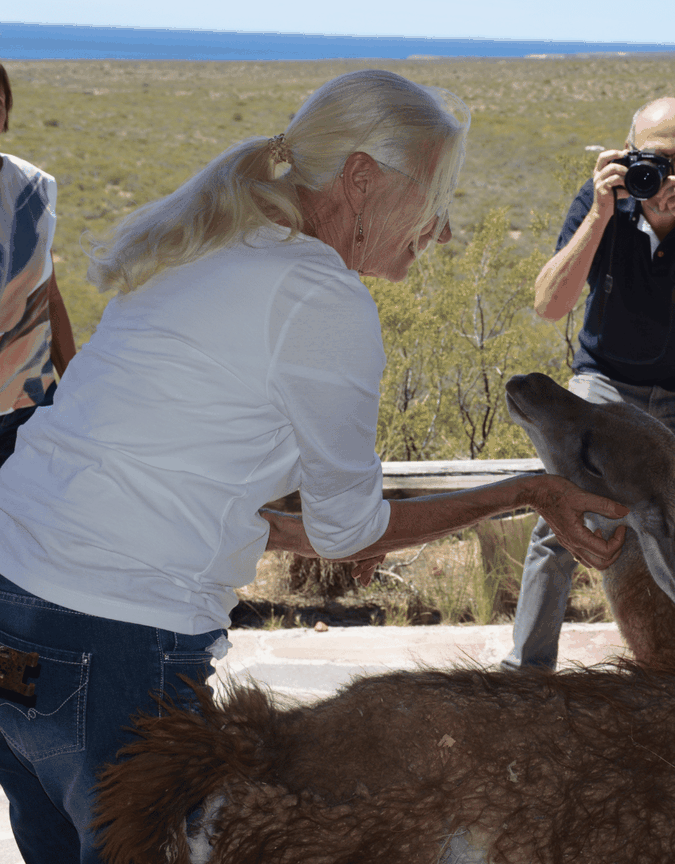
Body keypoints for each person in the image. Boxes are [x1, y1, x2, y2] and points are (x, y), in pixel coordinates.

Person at [0, 69, 627, 864]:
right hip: (117, 639)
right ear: (362, 178)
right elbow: (346, 530)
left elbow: (190, 497)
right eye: (432, 199)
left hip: (16, 610)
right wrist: (527, 491)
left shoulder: (201, 247)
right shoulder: (320, 296)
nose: (437, 231)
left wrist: (342, 531)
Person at [503, 96, 675, 671]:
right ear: (628, 155)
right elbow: (550, 306)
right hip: (606, 387)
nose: (668, 174)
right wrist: (600, 214)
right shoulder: (605, 199)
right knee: (559, 525)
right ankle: (526, 675)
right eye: (653, 159)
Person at [0, 61, 77, 465]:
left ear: (7, 110)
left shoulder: (33, 189)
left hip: (29, 407)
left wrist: (77, 385)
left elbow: (47, 292)